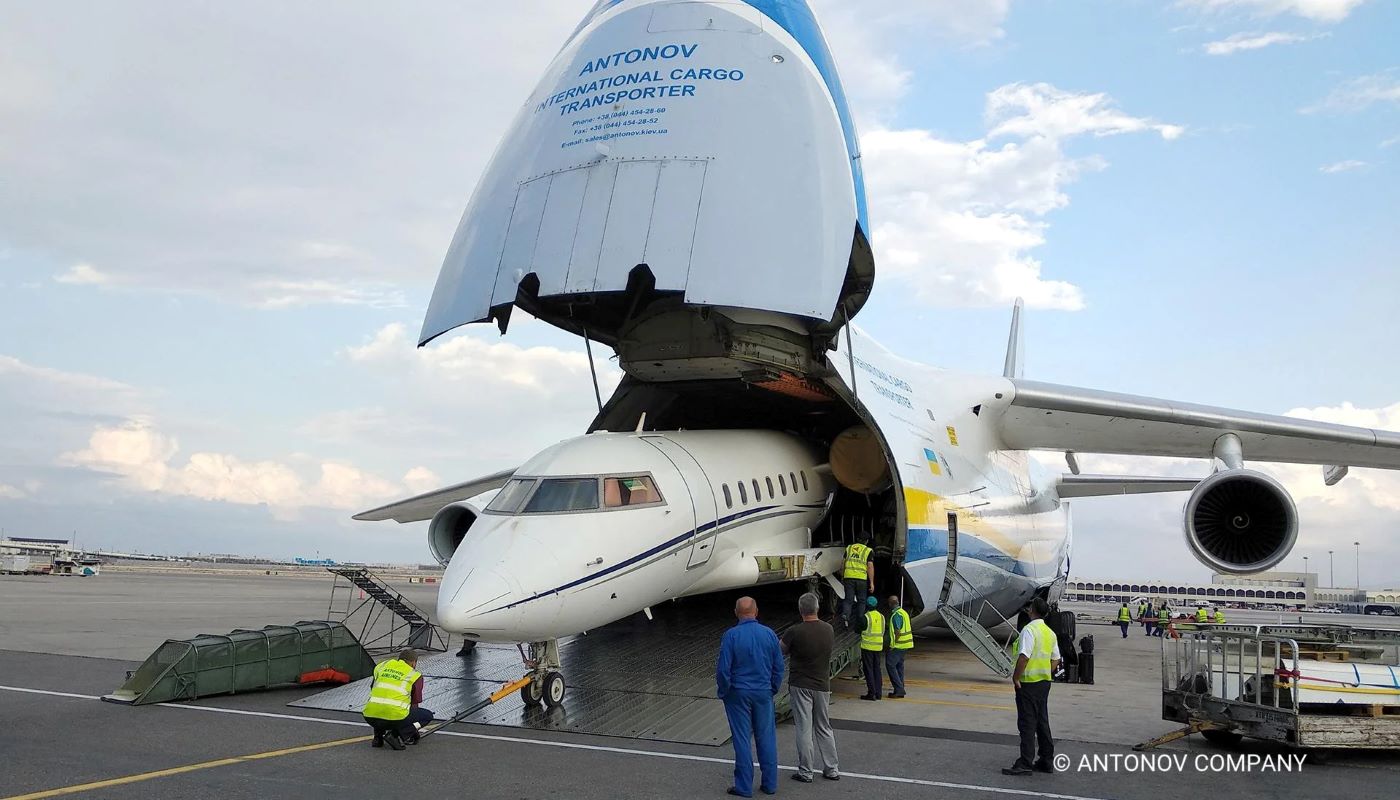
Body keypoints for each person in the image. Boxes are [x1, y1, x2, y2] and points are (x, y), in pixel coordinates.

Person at [717, 596, 784, 797]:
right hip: (763, 692)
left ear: (736, 613)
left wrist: (724, 690)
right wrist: (772, 688)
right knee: (766, 737)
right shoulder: (770, 635)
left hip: (738, 692)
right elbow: (779, 667)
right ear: (756, 611)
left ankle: (744, 786)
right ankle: (770, 784)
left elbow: (723, 669)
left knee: (742, 739)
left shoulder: (731, 636)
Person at [780, 592, 840, 783]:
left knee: (804, 728)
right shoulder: (828, 629)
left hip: (800, 684)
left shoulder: (794, 631)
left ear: (800, 610)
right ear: (817, 608)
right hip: (822, 684)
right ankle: (832, 769)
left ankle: (806, 772)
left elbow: (780, 650)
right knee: (824, 727)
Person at [1002, 598, 1062, 776]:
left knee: (1027, 723)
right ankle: (1046, 760)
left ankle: (1025, 762)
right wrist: (1045, 672)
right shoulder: (1049, 632)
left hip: (1028, 683)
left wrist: (1016, 677)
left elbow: (1024, 656)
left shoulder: (1029, 630)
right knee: (1042, 721)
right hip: (1043, 683)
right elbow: (1056, 658)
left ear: (1031, 611)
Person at [363, 649, 434, 750]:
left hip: (369, 716)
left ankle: (378, 738)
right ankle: (395, 735)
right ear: (414, 662)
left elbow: (373, 687)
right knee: (427, 716)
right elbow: (414, 702)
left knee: (381, 705)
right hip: (393, 718)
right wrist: (412, 731)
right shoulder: (414, 675)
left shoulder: (382, 666)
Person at [841, 535, 875, 627]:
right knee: (861, 600)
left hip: (848, 577)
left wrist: (842, 575)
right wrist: (871, 583)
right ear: (866, 541)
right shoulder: (868, 551)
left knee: (848, 599)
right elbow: (870, 567)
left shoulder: (849, 548)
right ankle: (860, 620)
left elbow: (843, 563)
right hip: (861, 579)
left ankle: (846, 616)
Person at [885, 594, 912, 698]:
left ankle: (899, 689)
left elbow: (897, 631)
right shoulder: (903, 612)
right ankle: (901, 687)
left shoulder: (896, 615)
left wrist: (893, 644)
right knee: (899, 666)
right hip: (906, 644)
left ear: (891, 604)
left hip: (899, 645)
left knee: (890, 665)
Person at [859, 596, 885, 701]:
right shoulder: (882, 617)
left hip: (867, 647)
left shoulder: (866, 617)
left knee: (868, 670)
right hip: (878, 646)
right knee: (877, 669)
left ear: (867, 606)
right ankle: (879, 693)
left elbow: (858, 629)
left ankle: (871, 693)